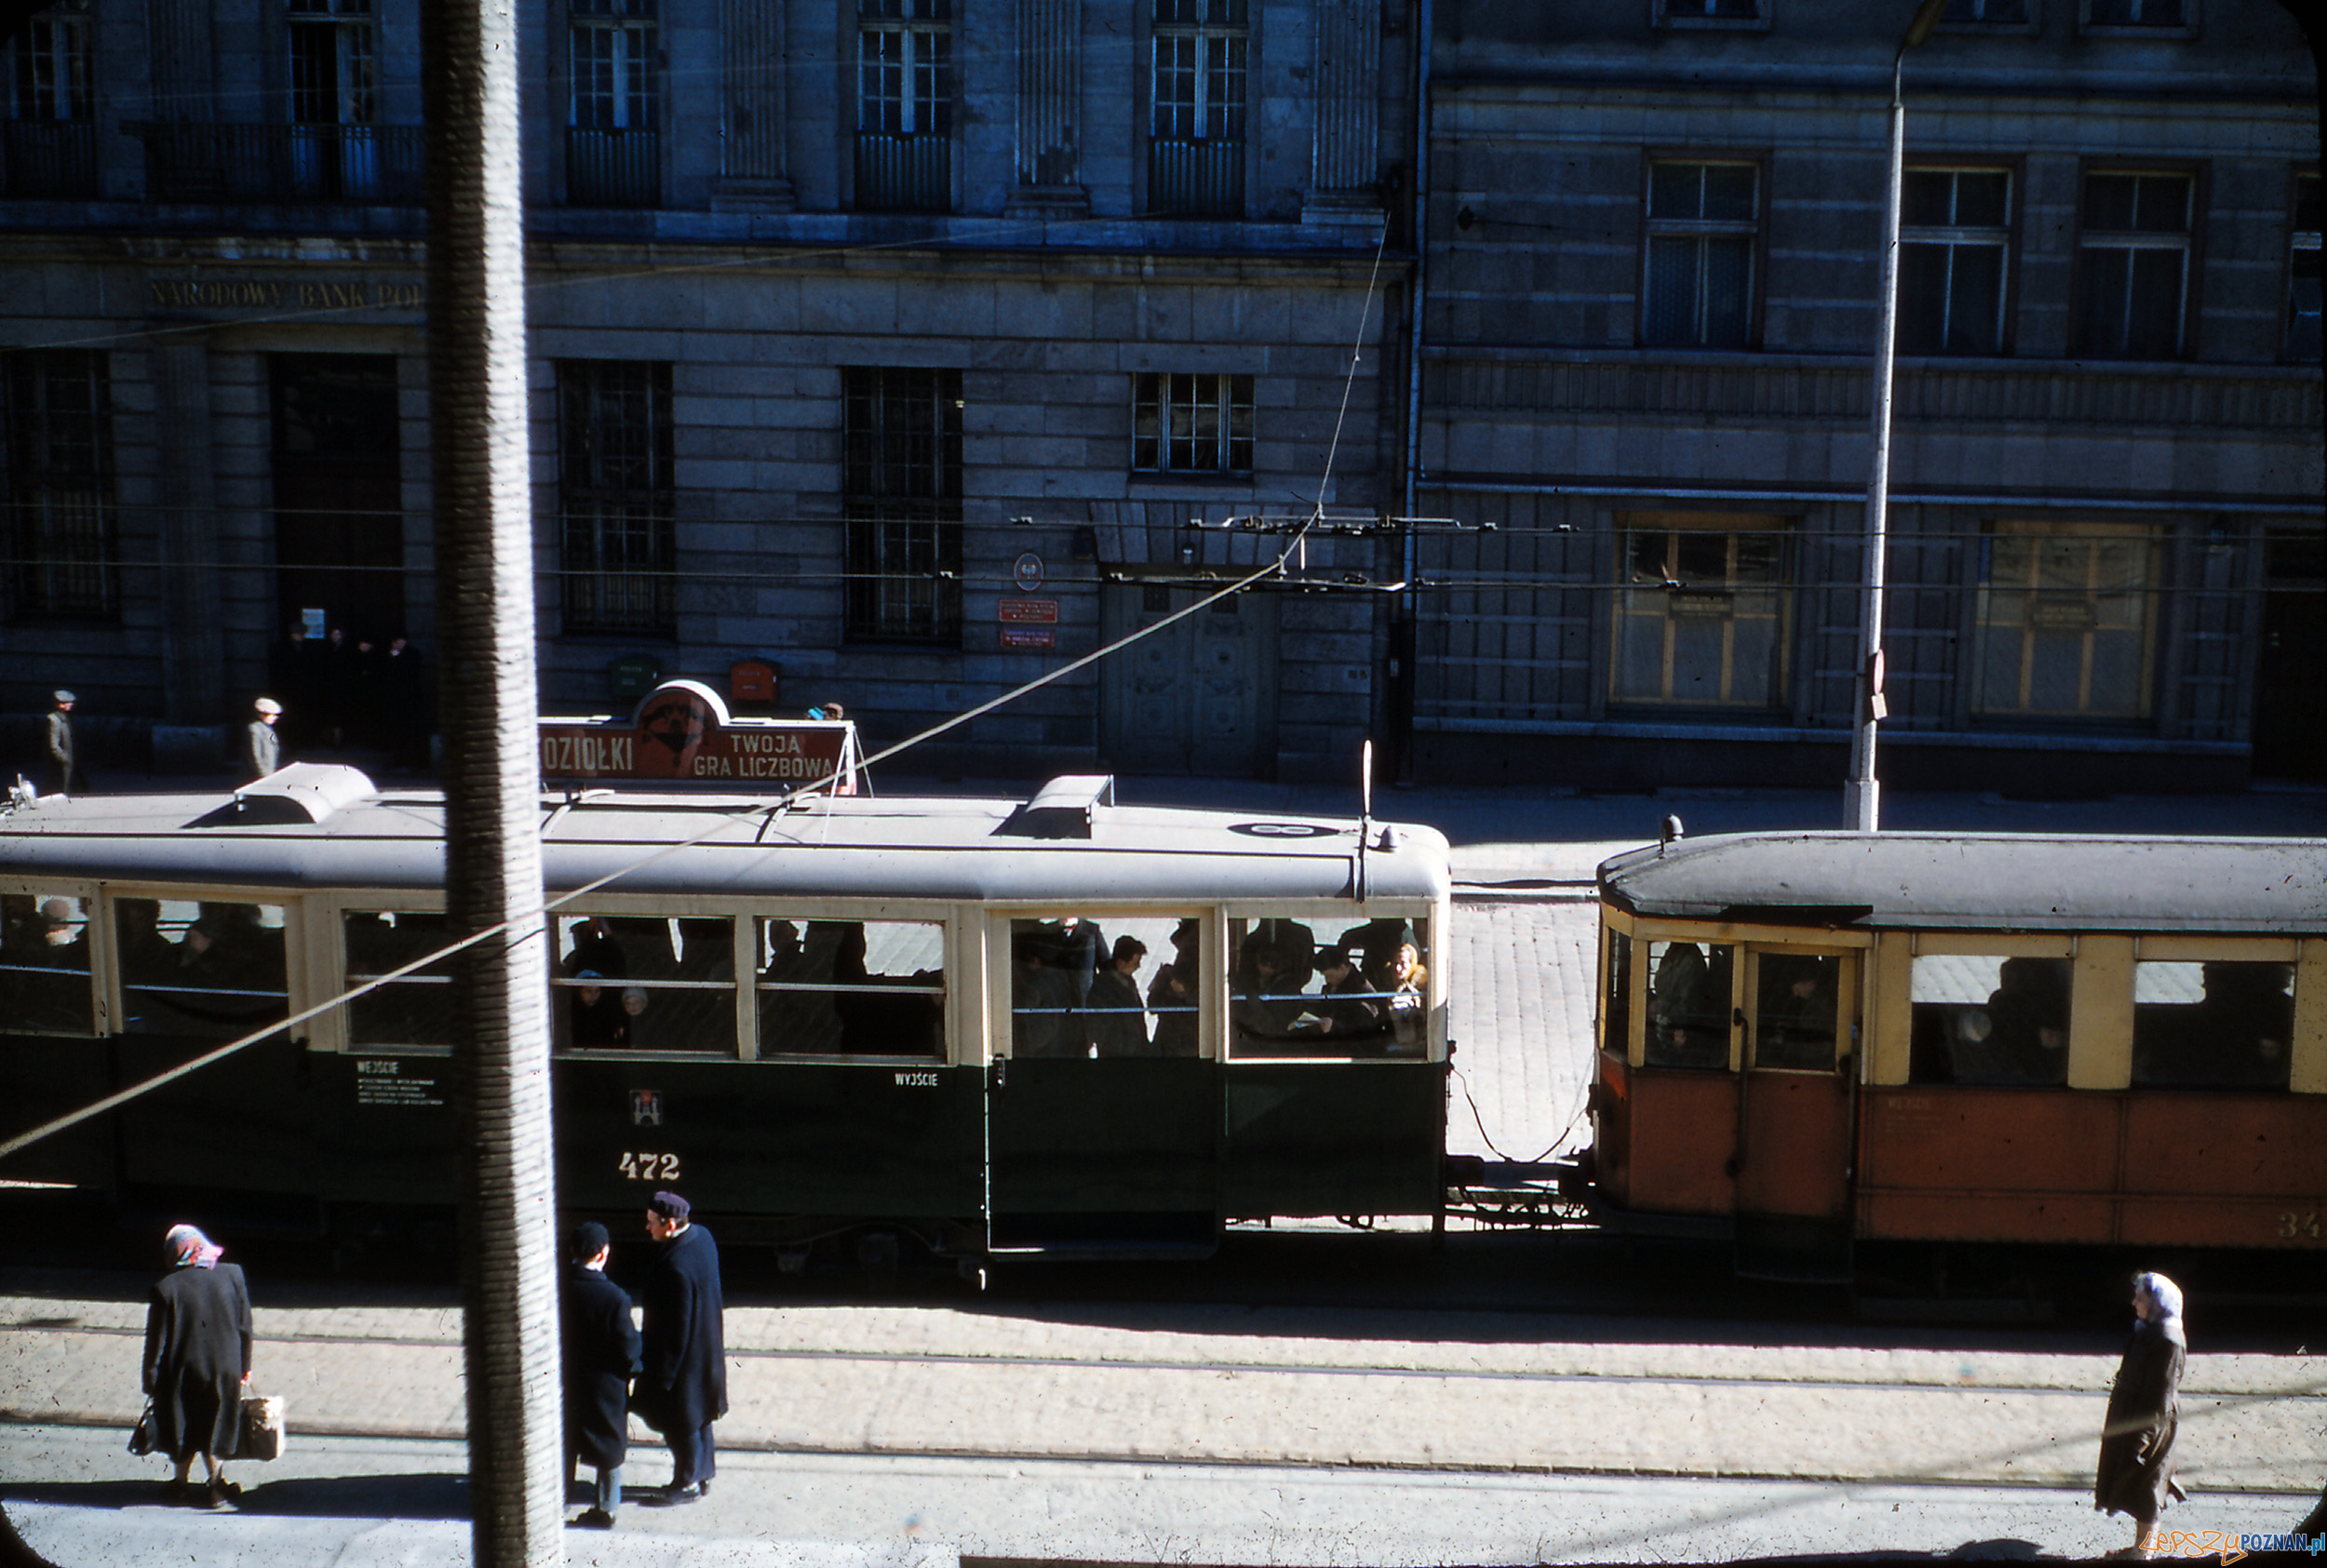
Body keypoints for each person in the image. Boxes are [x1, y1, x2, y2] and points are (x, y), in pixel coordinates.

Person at [141, 1224, 253, 1509]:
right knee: (216, 1421)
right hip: (225, 1366)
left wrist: (151, 1379)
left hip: (182, 1370)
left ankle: (180, 1484)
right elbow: (245, 1328)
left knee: (183, 1422)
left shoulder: (166, 1288)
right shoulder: (233, 1274)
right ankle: (216, 1486)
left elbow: (155, 1341)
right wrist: (244, 1367)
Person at [635, 1191, 726, 1504]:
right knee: (700, 1416)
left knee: (681, 1421)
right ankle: (704, 1474)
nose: (648, 1228)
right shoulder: (702, 1237)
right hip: (707, 1350)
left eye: (652, 1223)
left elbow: (674, 1330)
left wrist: (662, 1376)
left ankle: (686, 1482)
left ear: (670, 1224)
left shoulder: (675, 1266)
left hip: (682, 1361)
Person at [2097, 1270, 2189, 1559]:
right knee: (2139, 1481)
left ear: (2158, 1302)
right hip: (2136, 1415)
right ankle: (2141, 1548)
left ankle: (2143, 1554)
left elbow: (2160, 1395)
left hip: (2150, 1421)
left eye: (2140, 1298)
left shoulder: (2168, 1340)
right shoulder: (2149, 1330)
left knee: (2149, 1484)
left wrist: (2142, 1437)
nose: (2134, 1303)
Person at [561, 1220, 641, 1530]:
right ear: (603, 1253)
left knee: (564, 1439)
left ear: (572, 1250)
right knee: (608, 1444)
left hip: (566, 1379)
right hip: (603, 1384)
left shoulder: (557, 1285)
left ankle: (559, 1496)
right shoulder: (614, 1297)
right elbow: (627, 1346)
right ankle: (606, 1507)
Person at [1087, 936, 1150, 1056]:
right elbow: (1098, 1027)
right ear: (1121, 963)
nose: (1139, 966)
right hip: (1117, 1056)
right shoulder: (1101, 989)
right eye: (1135, 963)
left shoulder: (1126, 981)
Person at [44, 690, 83, 797]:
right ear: (60, 704)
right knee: (61, 790)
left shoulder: (67, 718)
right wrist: (65, 759)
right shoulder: (54, 719)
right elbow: (54, 745)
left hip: (72, 762)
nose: (71, 704)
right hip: (63, 765)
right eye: (68, 702)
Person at [245, 698, 283, 782]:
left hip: (270, 772)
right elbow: (255, 755)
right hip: (261, 775)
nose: (275, 718)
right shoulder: (255, 729)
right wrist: (263, 774)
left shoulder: (268, 729)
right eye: (272, 715)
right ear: (262, 715)